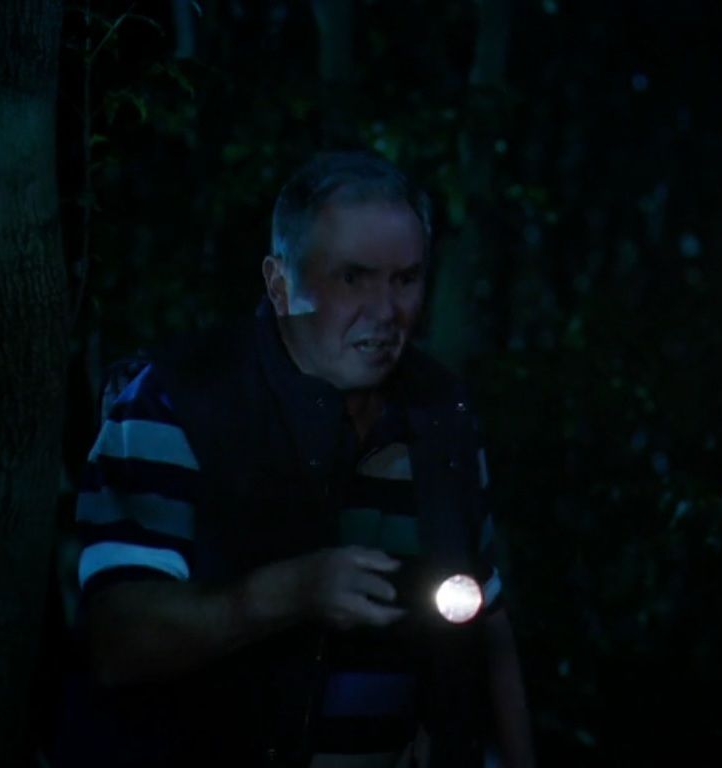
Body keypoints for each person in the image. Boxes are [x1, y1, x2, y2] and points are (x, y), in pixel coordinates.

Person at [60, 152, 534, 767]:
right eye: (353, 278)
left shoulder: (441, 413)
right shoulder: (176, 400)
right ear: (280, 283)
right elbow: (117, 639)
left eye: (406, 279)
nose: (385, 311)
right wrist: (291, 592)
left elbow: (488, 620)